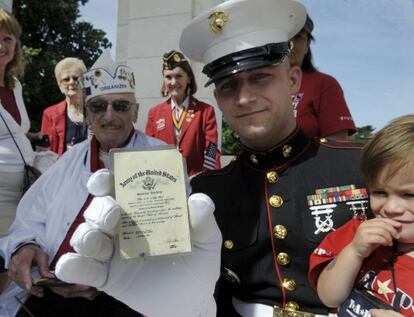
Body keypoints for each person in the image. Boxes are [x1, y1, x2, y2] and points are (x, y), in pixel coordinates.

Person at [181, 0, 370, 316]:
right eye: (229, 86)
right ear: (218, 99)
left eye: (260, 77)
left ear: (293, 80)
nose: (244, 98)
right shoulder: (206, 193)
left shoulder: (362, 166)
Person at [0, 50, 221, 317]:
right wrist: (25, 247)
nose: (109, 116)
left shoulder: (163, 159)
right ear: (86, 112)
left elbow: (173, 239)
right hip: (58, 290)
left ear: (136, 111)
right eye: (98, 106)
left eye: (121, 106)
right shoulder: (67, 162)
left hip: (130, 298)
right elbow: (29, 219)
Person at [309, 115, 414, 317]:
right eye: (380, 192)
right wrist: (354, 252)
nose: (391, 207)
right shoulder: (358, 231)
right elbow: (329, 297)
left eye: (409, 195)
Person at [0, 8, 34, 294]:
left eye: (7, 38)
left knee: (9, 271)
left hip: (22, 193)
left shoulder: (15, 85)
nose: (2, 46)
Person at [145, 50, 220, 176]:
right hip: (163, 182)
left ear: (189, 78)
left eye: (178, 76)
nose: (173, 82)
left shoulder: (205, 111)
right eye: (168, 77)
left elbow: (211, 148)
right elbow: (148, 151)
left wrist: (207, 177)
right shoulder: (154, 113)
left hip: (196, 181)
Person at [289, 14, 356, 140]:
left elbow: (337, 145)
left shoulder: (324, 84)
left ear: (307, 45)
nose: (290, 44)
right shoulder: (253, 85)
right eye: (284, 37)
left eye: (298, 37)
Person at [40, 57, 88, 156]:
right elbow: (46, 152)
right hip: (63, 169)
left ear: (84, 81)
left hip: (93, 169)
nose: (71, 82)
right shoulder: (50, 114)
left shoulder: (96, 110)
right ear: (60, 85)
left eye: (76, 78)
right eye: (66, 79)